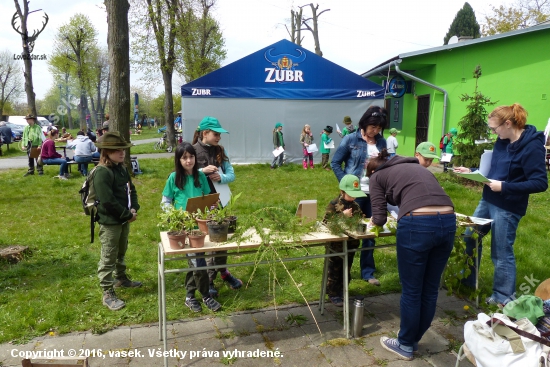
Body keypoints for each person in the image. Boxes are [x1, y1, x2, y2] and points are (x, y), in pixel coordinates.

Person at [366, 148, 456, 361]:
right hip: (448, 220)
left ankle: (405, 343)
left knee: (413, 290)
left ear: (372, 172)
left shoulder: (377, 176)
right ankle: (413, 339)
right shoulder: (416, 168)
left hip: (417, 224)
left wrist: (372, 223)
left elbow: (378, 217)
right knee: (430, 289)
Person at [454, 103, 548, 306]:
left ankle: (503, 298)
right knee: (469, 237)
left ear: (508, 123)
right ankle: (467, 281)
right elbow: (495, 168)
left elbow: (541, 183)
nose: (492, 132)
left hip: (508, 206)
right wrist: (471, 170)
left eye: (494, 128)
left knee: (501, 251)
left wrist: (504, 187)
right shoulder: (502, 140)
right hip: (488, 198)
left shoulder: (532, 147)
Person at [161, 142, 222, 313]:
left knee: (196, 260)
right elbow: (165, 201)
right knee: (198, 261)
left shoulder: (201, 177)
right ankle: (205, 294)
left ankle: (190, 295)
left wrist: (212, 205)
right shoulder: (174, 178)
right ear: (178, 160)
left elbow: (206, 199)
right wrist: (175, 215)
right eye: (184, 158)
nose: (189, 161)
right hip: (182, 227)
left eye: (191, 157)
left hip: (200, 226)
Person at [331, 105, 388, 286]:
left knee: (371, 231)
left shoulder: (382, 142)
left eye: (379, 128)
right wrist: (346, 185)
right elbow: (335, 162)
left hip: (375, 192)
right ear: (364, 124)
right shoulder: (350, 139)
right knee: (350, 230)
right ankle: (343, 272)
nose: (375, 131)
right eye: (373, 127)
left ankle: (367, 272)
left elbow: (385, 165)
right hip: (355, 194)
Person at [192, 116, 242, 297]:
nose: (219, 137)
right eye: (216, 134)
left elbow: (231, 174)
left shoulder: (220, 150)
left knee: (222, 239)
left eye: (220, 134)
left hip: (222, 202)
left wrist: (222, 178)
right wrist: (201, 172)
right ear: (205, 133)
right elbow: (181, 174)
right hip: (202, 204)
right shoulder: (192, 151)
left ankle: (223, 272)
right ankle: (209, 279)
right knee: (208, 241)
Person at [94, 132, 142, 311]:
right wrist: (127, 215)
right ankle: (107, 292)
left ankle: (121, 278)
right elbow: (107, 201)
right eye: (117, 150)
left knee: (121, 251)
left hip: (123, 219)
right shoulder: (102, 172)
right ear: (106, 152)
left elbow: (132, 190)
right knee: (109, 255)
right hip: (110, 222)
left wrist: (134, 208)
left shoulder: (121, 168)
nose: (121, 152)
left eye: (123, 149)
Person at [323, 174, 365, 306]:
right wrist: (342, 216)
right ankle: (332, 293)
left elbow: (360, 217)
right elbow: (325, 223)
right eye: (350, 194)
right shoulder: (334, 204)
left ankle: (343, 291)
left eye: (355, 195)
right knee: (335, 269)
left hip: (351, 243)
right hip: (337, 245)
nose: (353, 197)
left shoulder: (355, 205)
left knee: (346, 268)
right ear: (342, 191)